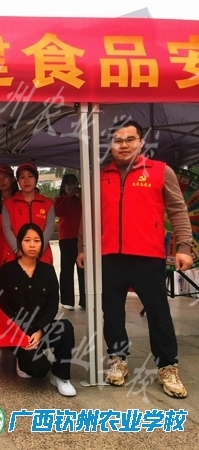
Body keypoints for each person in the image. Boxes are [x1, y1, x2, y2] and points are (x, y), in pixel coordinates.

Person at [76, 119, 193, 399]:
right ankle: (118, 359)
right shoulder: (99, 176)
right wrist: (83, 246)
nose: (124, 145)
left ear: (141, 142)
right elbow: (88, 215)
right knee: (112, 312)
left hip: (147, 256)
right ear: (111, 145)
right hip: (109, 257)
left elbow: (178, 209)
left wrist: (184, 246)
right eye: (118, 140)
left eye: (130, 139)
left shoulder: (160, 171)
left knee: (158, 312)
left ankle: (167, 366)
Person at [0, 223, 76, 397]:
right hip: (17, 334)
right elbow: (3, 307)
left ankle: (60, 376)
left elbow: (52, 304)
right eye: (27, 240)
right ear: (19, 243)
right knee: (39, 370)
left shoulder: (48, 271)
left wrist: (40, 331)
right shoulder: (6, 271)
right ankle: (24, 360)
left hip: (40, 330)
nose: (32, 245)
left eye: (37, 241)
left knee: (65, 328)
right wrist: (22, 335)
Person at [2, 162, 54, 264]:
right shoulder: (8, 204)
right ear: (18, 181)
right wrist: (18, 249)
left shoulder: (47, 203)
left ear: (36, 179)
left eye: (30, 176)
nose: (26, 181)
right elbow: (6, 228)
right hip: (15, 257)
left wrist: (38, 249)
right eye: (22, 177)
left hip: (42, 257)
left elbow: (49, 228)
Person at [54, 174, 85, 310]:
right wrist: (68, 196)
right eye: (68, 184)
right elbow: (58, 212)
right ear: (64, 186)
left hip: (81, 237)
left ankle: (85, 300)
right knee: (67, 269)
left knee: (83, 269)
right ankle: (67, 300)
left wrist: (80, 195)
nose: (71, 186)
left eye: (74, 183)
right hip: (66, 238)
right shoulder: (60, 199)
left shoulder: (81, 199)